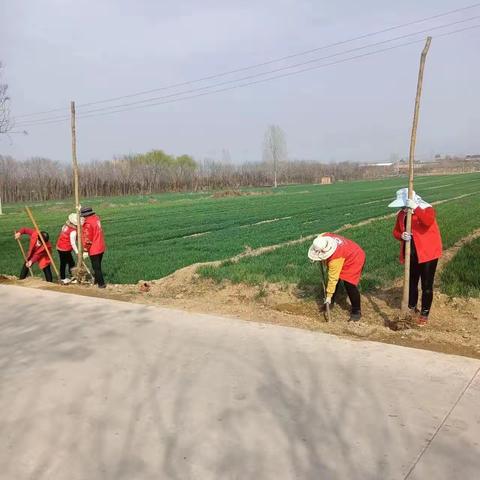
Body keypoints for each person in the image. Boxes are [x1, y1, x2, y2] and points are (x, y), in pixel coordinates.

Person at [389, 188, 442, 326]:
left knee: (426, 285)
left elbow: (428, 221)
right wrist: (401, 235)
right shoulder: (401, 214)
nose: (403, 207)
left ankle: (424, 313)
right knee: (411, 283)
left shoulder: (426, 209)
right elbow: (395, 231)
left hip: (428, 253)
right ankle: (412, 307)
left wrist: (416, 208)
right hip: (411, 253)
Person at [308, 232, 366, 321]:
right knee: (336, 278)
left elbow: (333, 278)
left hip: (354, 257)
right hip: (346, 252)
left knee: (349, 284)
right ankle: (331, 301)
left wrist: (328, 296)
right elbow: (322, 235)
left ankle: (356, 311)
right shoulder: (323, 238)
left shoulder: (335, 260)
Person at [80, 206, 106, 288]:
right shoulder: (96, 218)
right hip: (101, 245)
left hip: (94, 248)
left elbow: (88, 239)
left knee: (96, 268)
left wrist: (85, 250)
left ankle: (101, 284)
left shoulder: (87, 224)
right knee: (98, 265)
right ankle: (96, 280)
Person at [56, 213, 79, 284]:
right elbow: (73, 243)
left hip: (59, 246)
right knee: (70, 263)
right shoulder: (73, 231)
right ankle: (66, 278)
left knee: (66, 262)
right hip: (65, 249)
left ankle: (68, 277)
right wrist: (77, 252)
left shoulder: (65, 226)